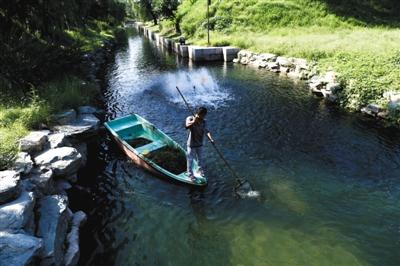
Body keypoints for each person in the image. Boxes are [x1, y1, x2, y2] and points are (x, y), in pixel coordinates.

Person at [185, 107, 214, 180]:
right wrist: (194, 121)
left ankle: (200, 171)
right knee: (190, 159)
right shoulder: (190, 118)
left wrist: (211, 139)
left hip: (200, 143)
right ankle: (190, 174)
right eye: (201, 115)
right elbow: (187, 126)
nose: (202, 117)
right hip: (191, 144)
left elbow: (207, 131)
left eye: (204, 115)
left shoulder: (204, 122)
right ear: (197, 114)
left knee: (200, 159)